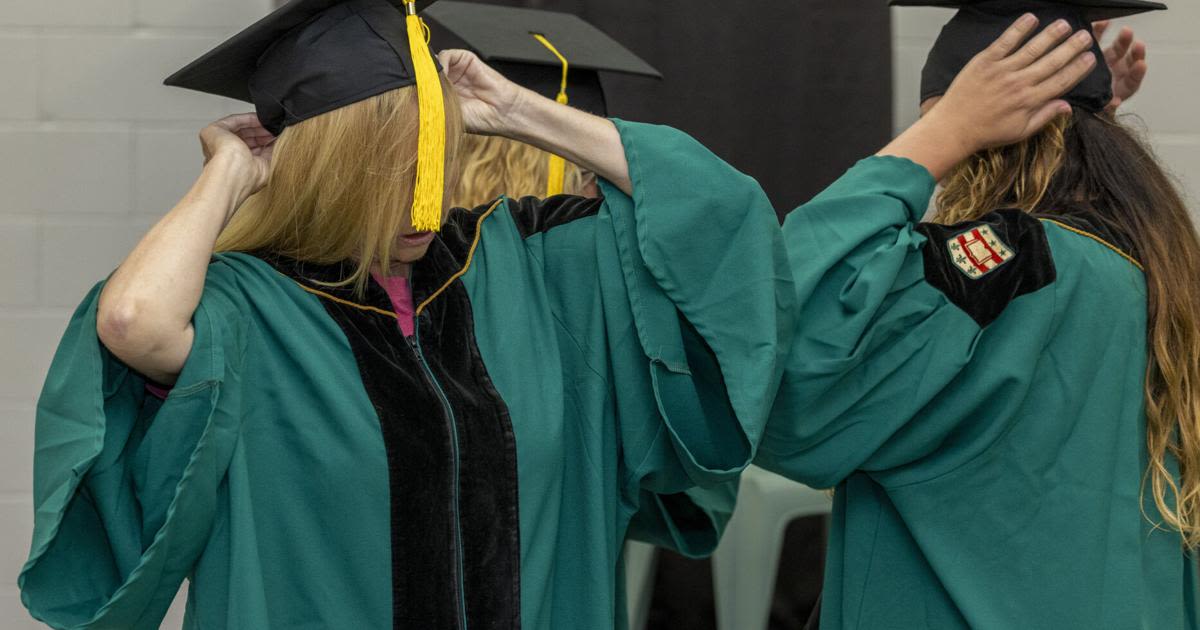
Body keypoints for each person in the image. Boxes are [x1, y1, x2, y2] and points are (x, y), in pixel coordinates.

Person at [16, 2, 1094, 630]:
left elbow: (723, 227)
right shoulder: (256, 309)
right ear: (326, 175)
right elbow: (136, 326)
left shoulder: (525, 281)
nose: (424, 205)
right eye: (393, 175)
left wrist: (525, 111)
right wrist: (229, 175)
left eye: (438, 167)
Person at [759, 1, 1195, 628]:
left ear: (987, 130)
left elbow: (789, 375)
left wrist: (934, 138)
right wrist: (1078, 120)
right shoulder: (1151, 268)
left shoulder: (1013, 265)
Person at [425, 1, 661, 205]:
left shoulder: (426, 233)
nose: (597, 189)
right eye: (587, 173)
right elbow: (674, 186)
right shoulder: (599, 238)